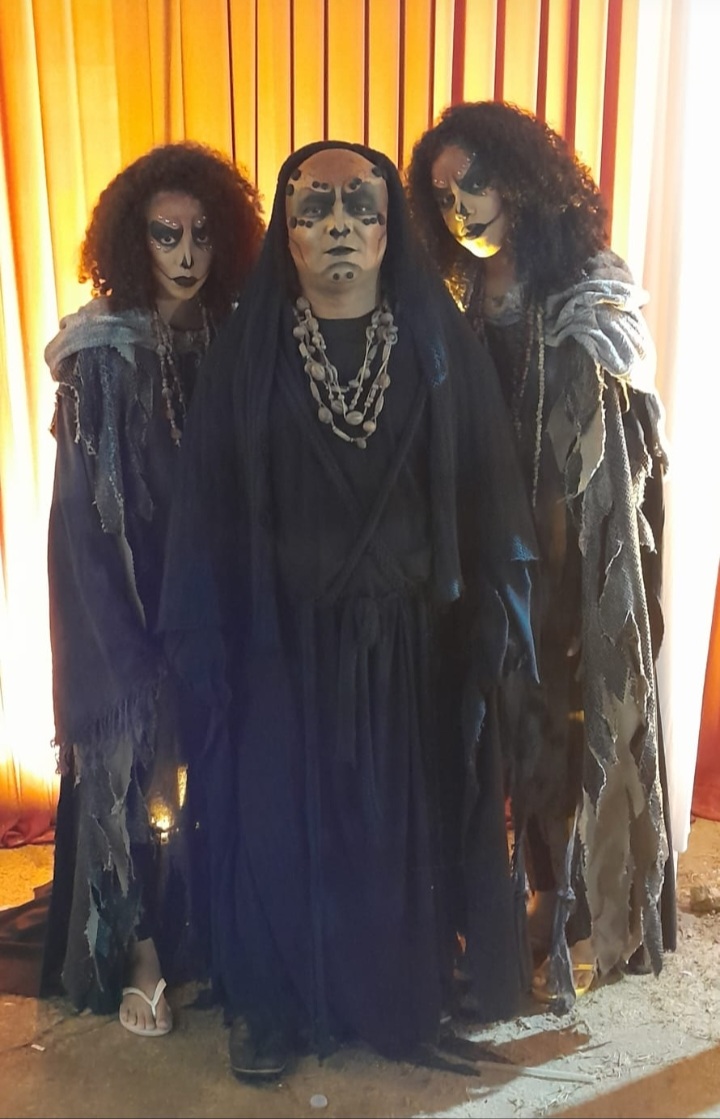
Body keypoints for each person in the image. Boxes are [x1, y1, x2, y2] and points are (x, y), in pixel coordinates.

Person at [157, 139, 539, 1080]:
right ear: (285, 235)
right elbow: (205, 510)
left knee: (393, 831)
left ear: (388, 230)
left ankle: (396, 998)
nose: (338, 225)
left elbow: (487, 496)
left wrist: (492, 617)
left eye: (360, 206)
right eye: (314, 208)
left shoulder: (438, 348)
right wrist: (206, 639)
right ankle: (273, 1007)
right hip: (279, 643)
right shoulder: (249, 359)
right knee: (276, 823)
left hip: (404, 647)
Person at [406, 100, 674, 1011]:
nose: (461, 210)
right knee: (489, 715)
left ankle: (562, 905)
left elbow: (621, 438)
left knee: (558, 714)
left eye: (474, 183)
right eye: (444, 197)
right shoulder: (455, 293)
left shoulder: (591, 290)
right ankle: (494, 894)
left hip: (564, 544)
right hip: (479, 539)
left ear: (521, 179)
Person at [40, 141, 265, 1037]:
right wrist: (123, 628)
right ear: (134, 241)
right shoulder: (102, 352)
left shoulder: (236, 338)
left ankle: (212, 935)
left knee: (219, 771)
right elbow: (82, 512)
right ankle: (139, 952)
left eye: (202, 233)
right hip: (123, 587)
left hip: (219, 593)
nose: (186, 253)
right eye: (167, 234)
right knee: (133, 766)